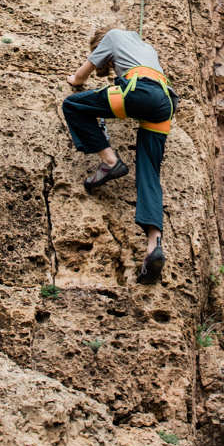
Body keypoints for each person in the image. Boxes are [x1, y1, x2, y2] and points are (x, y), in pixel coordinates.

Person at [63, 19, 173, 284]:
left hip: (139, 93)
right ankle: (153, 246)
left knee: (73, 106)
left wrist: (73, 80)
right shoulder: (146, 49)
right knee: (149, 173)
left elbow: (81, 75)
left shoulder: (111, 36)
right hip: (166, 102)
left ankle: (110, 161)